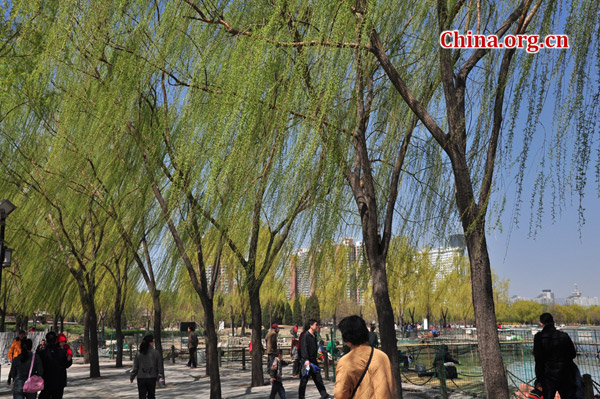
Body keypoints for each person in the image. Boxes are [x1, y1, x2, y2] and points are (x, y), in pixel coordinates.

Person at [334, 315, 394, 399]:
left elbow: (340, 394)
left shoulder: (346, 361)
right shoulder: (382, 356)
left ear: (346, 339)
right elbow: (391, 385)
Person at [533, 312, 577, 399]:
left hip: (547, 376)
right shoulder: (564, 336)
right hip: (565, 374)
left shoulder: (539, 337)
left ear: (541, 323)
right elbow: (573, 354)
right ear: (553, 322)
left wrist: (539, 377)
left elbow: (538, 359)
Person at [298, 319, 332, 399]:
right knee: (304, 380)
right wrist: (306, 360)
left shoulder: (314, 335)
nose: (317, 326)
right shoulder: (305, 335)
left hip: (313, 360)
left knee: (318, 378)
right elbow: (304, 348)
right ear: (311, 325)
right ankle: (301, 396)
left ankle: (324, 394)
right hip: (307, 361)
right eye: (316, 325)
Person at [38, 331, 72, 399]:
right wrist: (69, 359)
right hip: (59, 381)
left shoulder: (42, 353)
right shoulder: (63, 352)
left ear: (47, 340)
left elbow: (38, 366)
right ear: (56, 340)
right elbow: (67, 364)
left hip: (46, 380)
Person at [130, 334, 164, 399]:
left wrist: (132, 376)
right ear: (150, 343)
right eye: (153, 341)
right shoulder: (156, 353)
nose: (153, 343)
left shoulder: (139, 353)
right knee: (151, 395)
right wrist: (160, 376)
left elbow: (135, 367)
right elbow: (160, 366)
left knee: (142, 396)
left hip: (141, 377)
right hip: (152, 377)